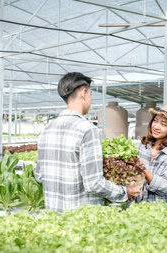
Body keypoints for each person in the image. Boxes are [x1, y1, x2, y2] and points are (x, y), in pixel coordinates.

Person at [35, 72, 140, 213]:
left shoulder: (47, 129)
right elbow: (93, 183)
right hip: (80, 221)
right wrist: (124, 192)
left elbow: (39, 175)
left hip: (54, 218)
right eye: (90, 94)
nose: (90, 100)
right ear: (83, 93)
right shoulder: (87, 130)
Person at [136, 104, 167, 203]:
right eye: (155, 121)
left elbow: (165, 187)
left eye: (163, 124)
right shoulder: (142, 146)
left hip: (161, 212)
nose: (157, 127)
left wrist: (144, 170)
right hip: (136, 209)